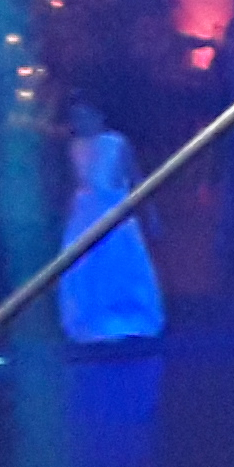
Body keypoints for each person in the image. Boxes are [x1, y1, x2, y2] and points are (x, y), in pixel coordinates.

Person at [58, 99, 164, 346]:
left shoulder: (116, 142)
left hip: (114, 210)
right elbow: (75, 183)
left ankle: (129, 318)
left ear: (99, 116)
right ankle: (90, 319)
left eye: (85, 116)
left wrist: (150, 212)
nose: (80, 122)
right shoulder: (75, 145)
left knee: (119, 264)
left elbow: (135, 178)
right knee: (87, 267)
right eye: (76, 117)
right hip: (84, 213)